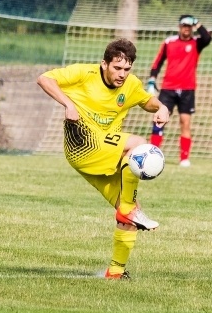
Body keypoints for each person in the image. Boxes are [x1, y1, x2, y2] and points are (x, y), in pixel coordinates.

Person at [37, 38, 170, 280]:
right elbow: (44, 79)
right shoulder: (84, 74)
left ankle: (115, 272)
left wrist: (161, 107)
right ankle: (128, 209)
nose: (122, 74)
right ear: (104, 63)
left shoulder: (131, 85)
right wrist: (68, 104)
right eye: (117, 68)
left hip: (105, 152)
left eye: (127, 69)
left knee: (129, 215)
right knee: (140, 145)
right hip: (82, 144)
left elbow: (146, 101)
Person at [146, 14, 211, 167]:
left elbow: (207, 38)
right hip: (168, 88)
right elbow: (158, 62)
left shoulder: (197, 43)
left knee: (185, 122)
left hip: (188, 89)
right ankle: (153, 155)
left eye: (189, 26)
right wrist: (152, 80)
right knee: (159, 120)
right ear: (179, 26)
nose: (186, 29)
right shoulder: (169, 42)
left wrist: (197, 23)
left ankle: (184, 158)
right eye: (184, 25)